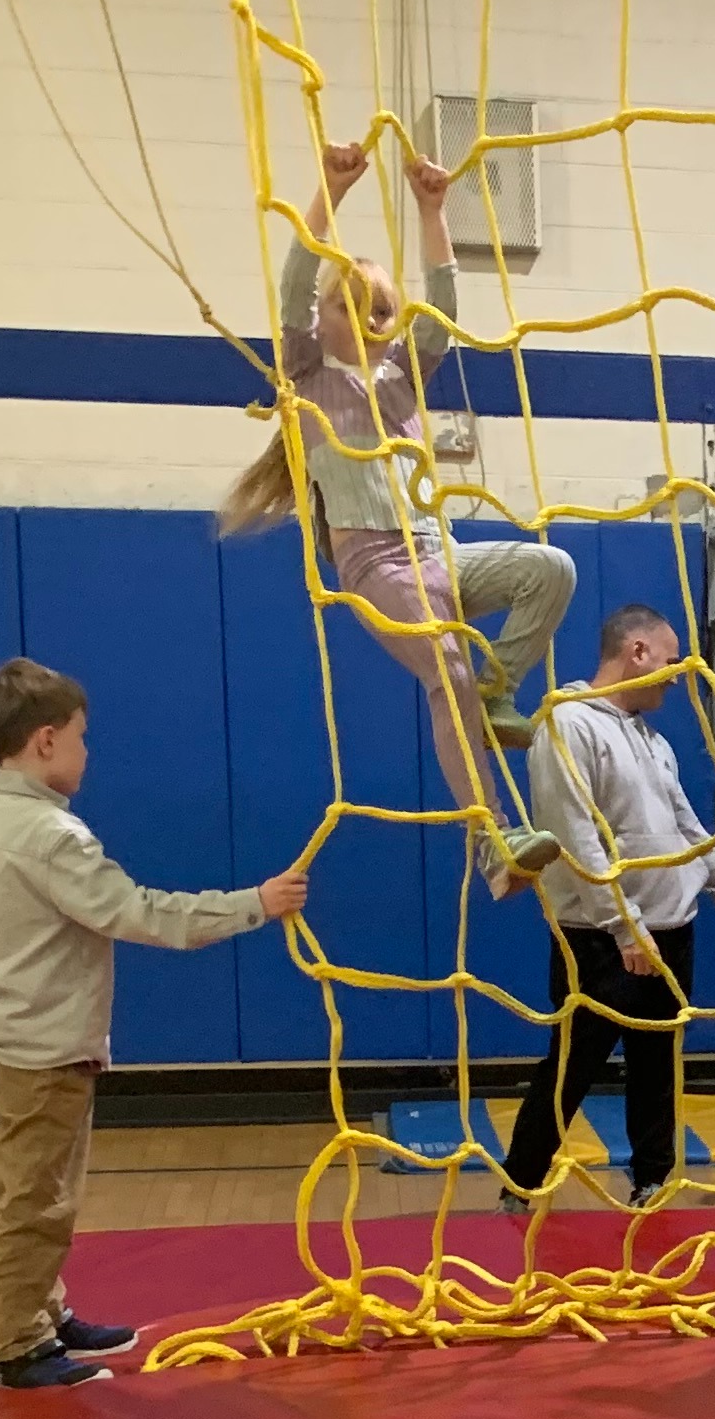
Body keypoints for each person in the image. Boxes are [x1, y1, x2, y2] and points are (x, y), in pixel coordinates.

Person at [0, 659, 309, 1389]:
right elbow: (140, 913)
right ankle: (20, 1345)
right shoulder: (52, 837)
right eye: (85, 738)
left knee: (48, 1186)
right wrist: (255, 902)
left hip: (14, 1035)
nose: (91, 752)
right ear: (48, 741)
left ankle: (44, 1309)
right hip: (44, 1044)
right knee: (39, 1200)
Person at [219, 135, 569, 892]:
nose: (367, 315)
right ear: (326, 315)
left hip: (434, 550)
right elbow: (293, 280)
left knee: (551, 569)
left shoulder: (404, 375)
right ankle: (491, 837)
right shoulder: (306, 374)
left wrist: (432, 209)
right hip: (376, 563)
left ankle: (497, 687)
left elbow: (441, 307)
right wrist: (330, 191)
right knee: (445, 663)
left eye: (379, 305)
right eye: (349, 303)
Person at [500, 603, 715, 1207]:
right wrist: (625, 931)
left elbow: (691, 835)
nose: (677, 675)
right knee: (571, 1065)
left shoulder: (653, 740)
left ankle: (652, 1183)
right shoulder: (568, 725)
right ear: (638, 654)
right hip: (601, 939)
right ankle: (519, 1185)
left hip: (671, 934)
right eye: (671, 661)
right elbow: (574, 836)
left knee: (658, 1067)